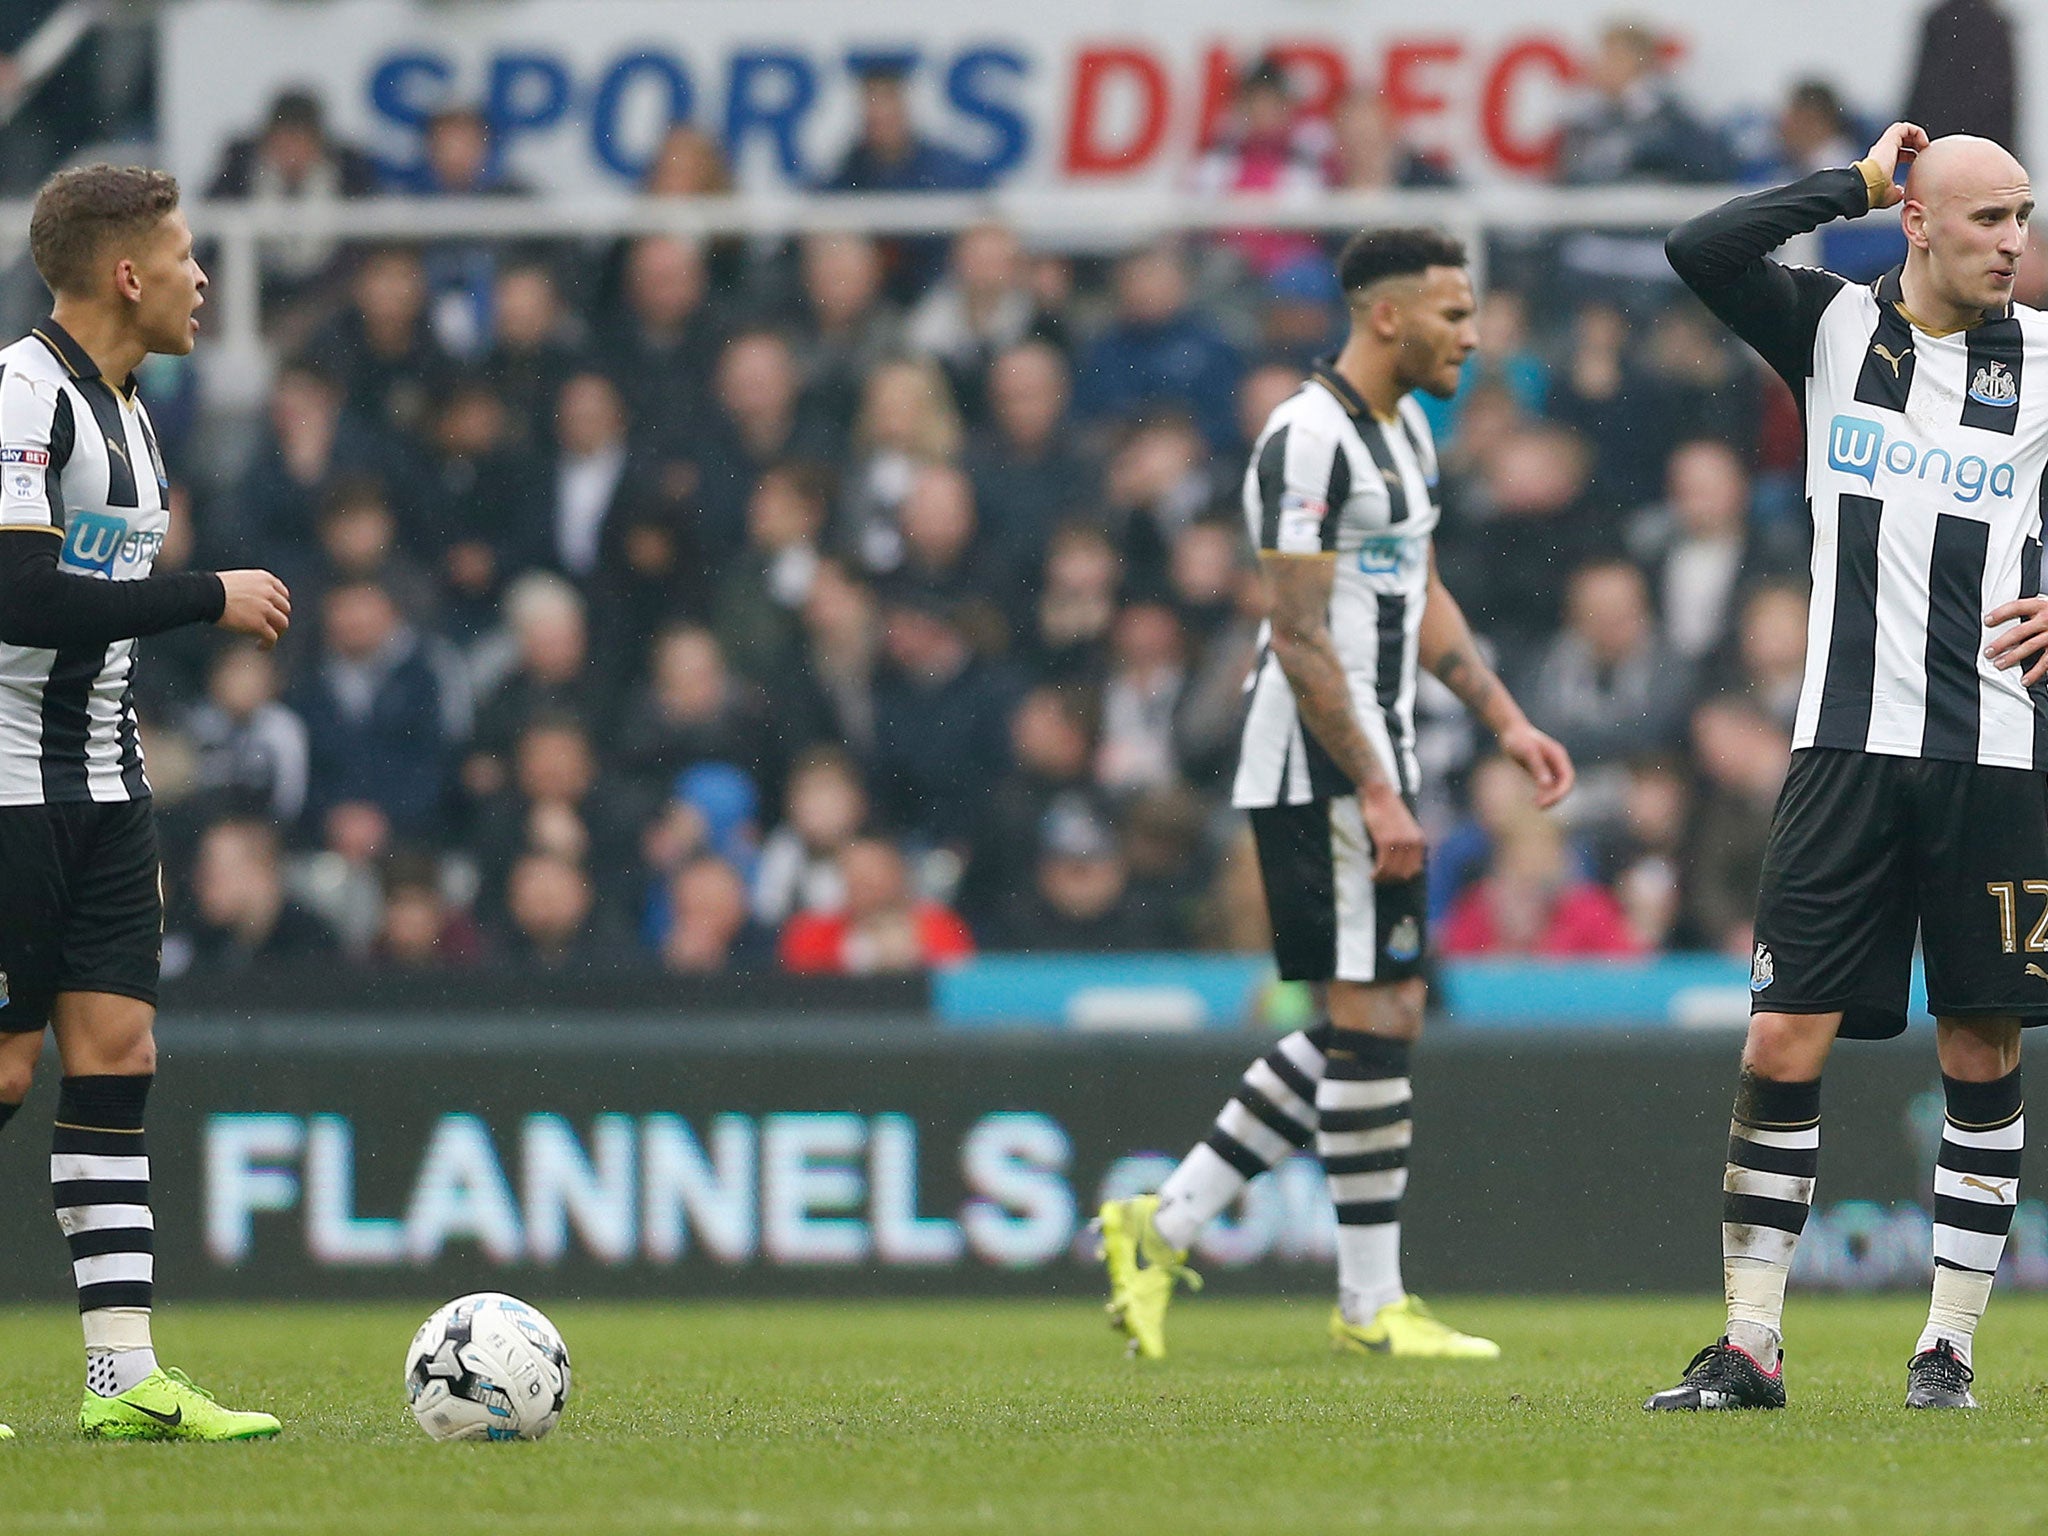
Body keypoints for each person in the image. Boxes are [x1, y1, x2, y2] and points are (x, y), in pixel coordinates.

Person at [1095, 229, 1575, 1362]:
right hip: (1319, 760)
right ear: (1386, 317)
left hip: (1376, 755)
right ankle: (1316, 1281)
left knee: (1380, 1017)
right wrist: (1375, 787)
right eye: (1454, 315)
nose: (1473, 335)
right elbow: (1299, 636)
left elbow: (1420, 586)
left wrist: (1503, 717)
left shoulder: (1405, 427)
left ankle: (1183, 1231)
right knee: (1371, 1020)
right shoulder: (1302, 439)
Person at [1649, 123, 2048, 1414]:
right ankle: (1752, 1342)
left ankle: (1949, 1350)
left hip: (1998, 755)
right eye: (1985, 218)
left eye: (2024, 219)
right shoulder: (1829, 326)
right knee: (1782, 1033)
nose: (2013, 244)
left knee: (1980, 1046)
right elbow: (1700, 246)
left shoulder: (2045, 358)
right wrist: (1857, 184)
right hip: (1843, 750)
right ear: (1919, 222)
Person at [0, 164, 288, 1440]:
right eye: (184, 257)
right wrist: (204, 593)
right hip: (5, 788)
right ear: (128, 273)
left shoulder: (133, 408)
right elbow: (17, 600)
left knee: (117, 1055)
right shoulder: (20, 391)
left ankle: (124, 1380)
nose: (201, 278)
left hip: (107, 790)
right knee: (6, 1067)